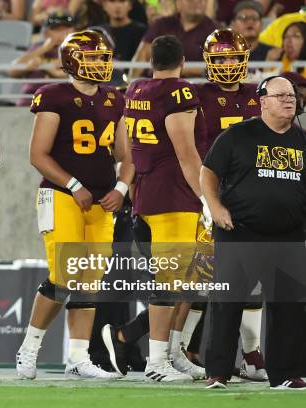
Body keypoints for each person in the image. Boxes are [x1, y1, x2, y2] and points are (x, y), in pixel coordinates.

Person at [15, 29, 132, 381]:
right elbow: (38, 154)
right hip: (62, 195)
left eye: (102, 57)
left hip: (101, 201)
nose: (100, 63)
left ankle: (78, 357)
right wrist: (73, 184)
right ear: (72, 60)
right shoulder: (53, 95)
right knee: (65, 276)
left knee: (90, 281)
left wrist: (123, 187)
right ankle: (30, 347)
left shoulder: (115, 99)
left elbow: (127, 155)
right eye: (93, 57)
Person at [201, 75, 306, 390]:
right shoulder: (237, 135)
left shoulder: (303, 140)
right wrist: (215, 208)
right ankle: (218, 372)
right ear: (263, 101)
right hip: (240, 232)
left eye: (293, 96)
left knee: (289, 307)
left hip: (289, 235)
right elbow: (208, 172)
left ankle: (285, 374)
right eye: (281, 95)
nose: (290, 100)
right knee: (227, 303)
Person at [124, 34, 210, 382]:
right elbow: (186, 155)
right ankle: (156, 362)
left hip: (147, 193)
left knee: (186, 282)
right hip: (173, 197)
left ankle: (172, 353)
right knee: (170, 283)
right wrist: (207, 199)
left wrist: (129, 186)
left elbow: (128, 148)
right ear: (184, 62)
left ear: (151, 60)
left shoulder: (136, 89)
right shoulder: (179, 92)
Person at [194, 28, 267, 382]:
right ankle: (179, 351)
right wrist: (205, 199)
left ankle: (252, 353)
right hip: (210, 195)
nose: (226, 65)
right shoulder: (195, 95)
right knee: (201, 281)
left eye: (232, 58)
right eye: (219, 58)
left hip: (256, 197)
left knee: (252, 281)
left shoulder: (259, 94)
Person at [130, 0, 219, 78]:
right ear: (178, 2)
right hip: (157, 87)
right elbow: (142, 55)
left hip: (195, 88)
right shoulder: (161, 24)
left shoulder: (216, 32)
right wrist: (132, 83)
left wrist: (170, 70)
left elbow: (217, 66)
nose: (196, 2)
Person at [8, 12, 75, 106]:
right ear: (47, 32)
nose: (63, 33)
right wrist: (44, 48)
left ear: (74, 30)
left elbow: (74, 71)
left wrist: (44, 64)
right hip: (31, 98)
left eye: (66, 28)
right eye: (57, 29)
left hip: (61, 99)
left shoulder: (78, 49)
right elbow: (12, 71)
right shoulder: (38, 47)